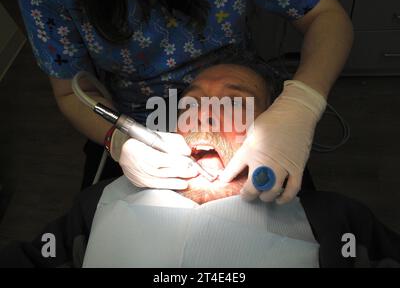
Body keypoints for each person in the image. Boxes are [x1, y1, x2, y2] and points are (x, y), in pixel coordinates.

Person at [1, 55, 399, 268]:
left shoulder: (338, 222)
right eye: (191, 100)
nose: (204, 111)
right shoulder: (96, 205)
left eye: (234, 99)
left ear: (273, 126)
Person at [13, 0, 353, 203]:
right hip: (134, 124)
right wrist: (118, 140)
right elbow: (70, 90)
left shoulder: (326, 222)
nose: (202, 115)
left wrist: (300, 105)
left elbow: (328, 18)